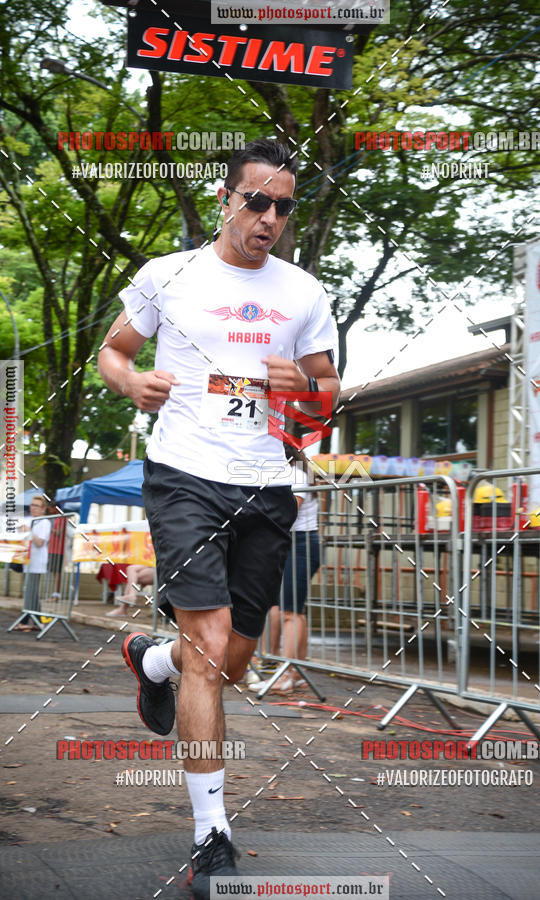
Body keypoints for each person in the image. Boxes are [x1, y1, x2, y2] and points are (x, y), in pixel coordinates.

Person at [97, 138, 340, 899]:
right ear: (227, 198)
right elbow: (114, 348)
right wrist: (130, 382)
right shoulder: (168, 275)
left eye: (284, 206)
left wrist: (301, 381)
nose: (269, 218)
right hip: (183, 478)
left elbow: (330, 393)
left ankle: (152, 661)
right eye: (257, 201)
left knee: (234, 660)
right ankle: (212, 834)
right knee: (209, 648)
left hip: (267, 486)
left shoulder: (302, 291)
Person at [253, 448, 321, 693]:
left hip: (300, 544)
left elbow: (287, 513)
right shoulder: (291, 473)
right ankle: (295, 672)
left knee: (290, 613)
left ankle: (285, 675)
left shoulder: (295, 474)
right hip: (291, 544)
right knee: (291, 611)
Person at [14, 495, 51, 631]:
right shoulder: (28, 520)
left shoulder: (45, 522)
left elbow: (40, 542)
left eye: (36, 505)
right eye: (32, 505)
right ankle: (37, 621)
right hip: (26, 560)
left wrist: (29, 531)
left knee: (31, 591)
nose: (33, 508)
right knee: (30, 591)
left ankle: (26, 620)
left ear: (43, 509)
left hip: (37, 561)